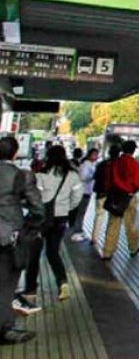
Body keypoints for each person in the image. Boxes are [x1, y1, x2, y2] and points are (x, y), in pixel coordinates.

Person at [21, 145, 83, 304]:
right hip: (61, 218)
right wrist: (67, 208)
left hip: (42, 219)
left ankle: (30, 292)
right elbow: (78, 196)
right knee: (53, 252)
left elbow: (36, 198)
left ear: (49, 157)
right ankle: (62, 282)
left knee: (34, 255)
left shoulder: (42, 175)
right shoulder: (72, 175)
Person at [0, 137, 45, 344]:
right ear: (15, 153)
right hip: (8, 239)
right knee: (6, 285)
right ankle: (5, 329)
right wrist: (25, 230)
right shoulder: (21, 176)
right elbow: (38, 210)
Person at [102, 141, 139, 260]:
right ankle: (133, 248)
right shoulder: (135, 163)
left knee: (113, 224)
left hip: (116, 196)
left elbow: (109, 180)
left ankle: (107, 252)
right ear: (133, 150)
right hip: (129, 197)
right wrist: (132, 190)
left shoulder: (116, 162)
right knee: (130, 224)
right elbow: (138, 182)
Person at [90, 145, 120, 245]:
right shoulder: (119, 165)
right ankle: (109, 240)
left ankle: (94, 238)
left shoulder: (102, 164)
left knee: (99, 215)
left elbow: (95, 177)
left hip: (101, 194)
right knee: (112, 219)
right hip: (114, 196)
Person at [70, 148, 99, 242]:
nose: (96, 156)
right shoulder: (87, 164)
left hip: (85, 191)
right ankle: (77, 232)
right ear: (90, 155)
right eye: (94, 154)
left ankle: (78, 230)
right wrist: (92, 177)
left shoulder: (87, 163)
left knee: (80, 212)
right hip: (84, 191)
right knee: (81, 212)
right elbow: (83, 177)